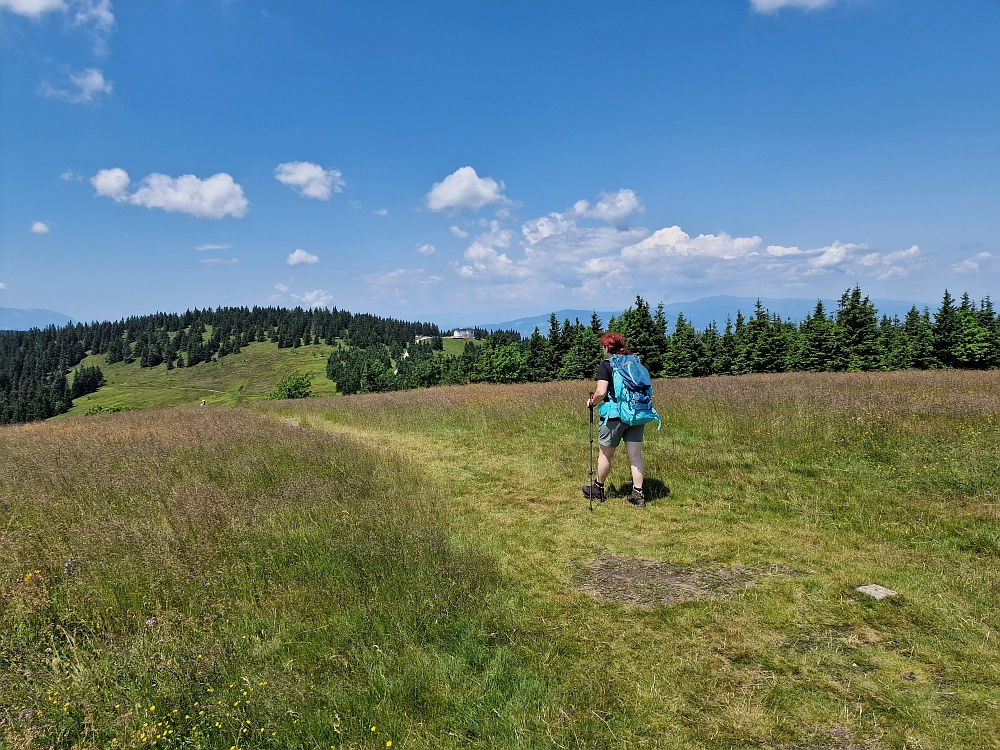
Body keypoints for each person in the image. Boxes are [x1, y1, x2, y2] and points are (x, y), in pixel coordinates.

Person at [583, 332, 647, 507]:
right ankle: (638, 494)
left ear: (607, 347)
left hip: (614, 415)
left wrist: (592, 402)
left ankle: (598, 489)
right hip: (636, 414)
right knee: (635, 456)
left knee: (605, 454)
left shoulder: (607, 365)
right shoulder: (634, 362)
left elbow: (601, 392)